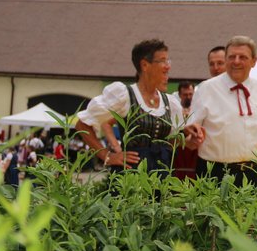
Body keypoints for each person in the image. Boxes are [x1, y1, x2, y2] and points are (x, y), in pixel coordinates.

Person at [184, 36, 257, 191]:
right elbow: (191, 133)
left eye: (243, 57)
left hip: (255, 175)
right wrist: (192, 137)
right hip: (214, 174)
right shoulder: (206, 89)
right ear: (226, 59)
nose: (236, 61)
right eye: (231, 57)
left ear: (254, 61)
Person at [76, 39, 188, 175]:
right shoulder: (124, 95)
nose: (168, 66)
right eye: (162, 61)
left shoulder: (170, 102)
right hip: (131, 174)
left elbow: (175, 142)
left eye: (168, 61)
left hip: (161, 174)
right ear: (145, 65)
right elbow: (82, 125)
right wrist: (108, 156)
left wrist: (189, 135)